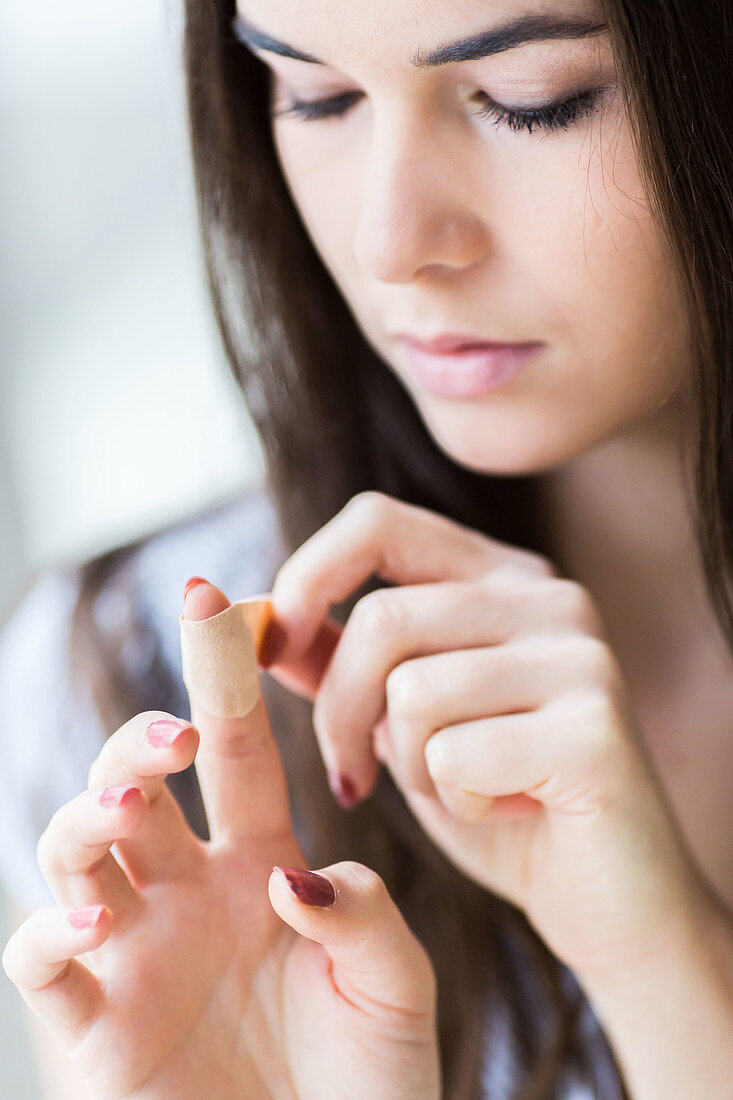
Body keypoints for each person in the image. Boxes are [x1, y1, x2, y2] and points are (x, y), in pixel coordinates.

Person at [1, 0, 732, 1096]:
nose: (390, 241)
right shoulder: (130, 670)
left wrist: (668, 971)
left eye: (533, 102)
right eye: (317, 94)